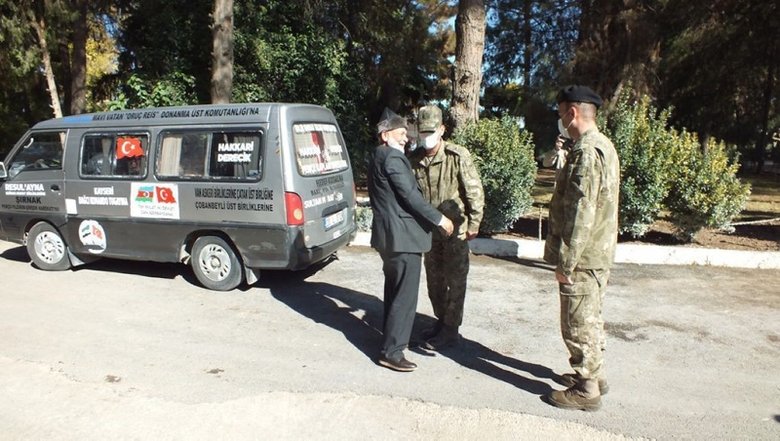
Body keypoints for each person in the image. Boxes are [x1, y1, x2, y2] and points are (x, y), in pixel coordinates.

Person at [543, 85, 620, 411]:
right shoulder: (602, 145)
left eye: (561, 113)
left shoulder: (587, 152)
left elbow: (582, 211)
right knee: (590, 317)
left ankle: (587, 389)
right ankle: (594, 375)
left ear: (572, 112)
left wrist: (567, 262)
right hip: (597, 252)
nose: (561, 120)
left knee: (577, 322)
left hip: (584, 256)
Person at [368, 108, 455, 372]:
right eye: (401, 133)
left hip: (390, 238)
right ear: (385, 135)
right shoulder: (393, 158)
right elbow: (410, 197)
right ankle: (392, 352)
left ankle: (392, 340)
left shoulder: (377, 155)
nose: (407, 138)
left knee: (394, 292)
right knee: (404, 297)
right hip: (402, 239)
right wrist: (440, 219)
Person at [410, 105, 484, 350]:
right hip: (430, 232)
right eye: (422, 131)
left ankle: (451, 330)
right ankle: (441, 322)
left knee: (455, 280)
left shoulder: (457, 155)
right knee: (435, 282)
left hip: (456, 230)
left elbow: (474, 191)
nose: (426, 136)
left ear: (442, 129)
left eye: (431, 131)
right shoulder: (415, 159)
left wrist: (474, 223)